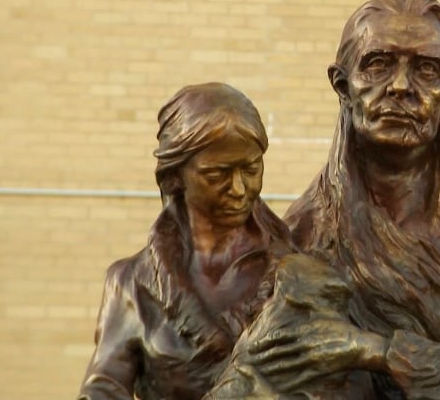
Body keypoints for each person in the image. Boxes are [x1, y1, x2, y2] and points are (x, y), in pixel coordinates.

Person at [249, 0, 440, 399]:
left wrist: (380, 352)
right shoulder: (299, 236)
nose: (399, 86)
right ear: (342, 85)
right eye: (377, 65)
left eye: (426, 70)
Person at [78, 83, 293, 400]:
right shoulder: (132, 283)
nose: (238, 188)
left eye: (251, 169)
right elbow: (103, 390)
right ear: (174, 177)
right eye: (216, 174)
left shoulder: (297, 271)